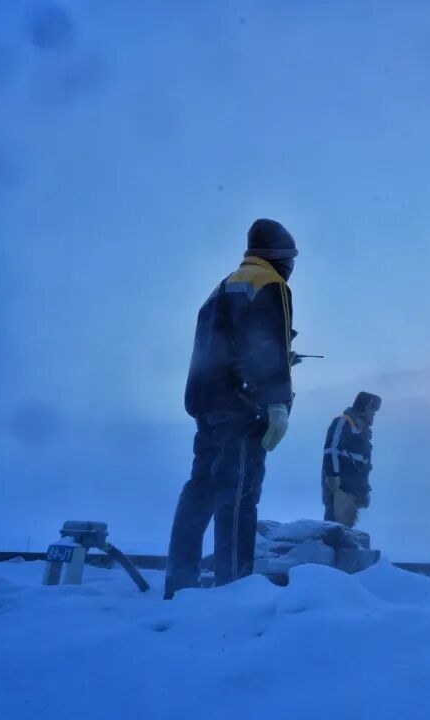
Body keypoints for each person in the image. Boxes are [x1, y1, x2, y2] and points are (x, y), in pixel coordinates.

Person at [165, 219, 298, 599]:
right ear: (282, 256)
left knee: (200, 492)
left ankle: (179, 583)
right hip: (242, 407)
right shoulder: (269, 284)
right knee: (239, 493)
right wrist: (277, 402)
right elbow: (266, 343)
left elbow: (228, 346)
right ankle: (234, 590)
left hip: (208, 405)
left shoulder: (222, 287)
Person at [322, 392, 381, 527]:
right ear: (363, 408)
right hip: (339, 488)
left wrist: (364, 491)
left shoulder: (364, 434)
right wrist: (333, 476)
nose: (373, 414)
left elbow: (365, 466)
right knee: (334, 528)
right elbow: (331, 449)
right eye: (371, 410)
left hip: (354, 492)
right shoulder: (343, 422)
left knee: (347, 531)